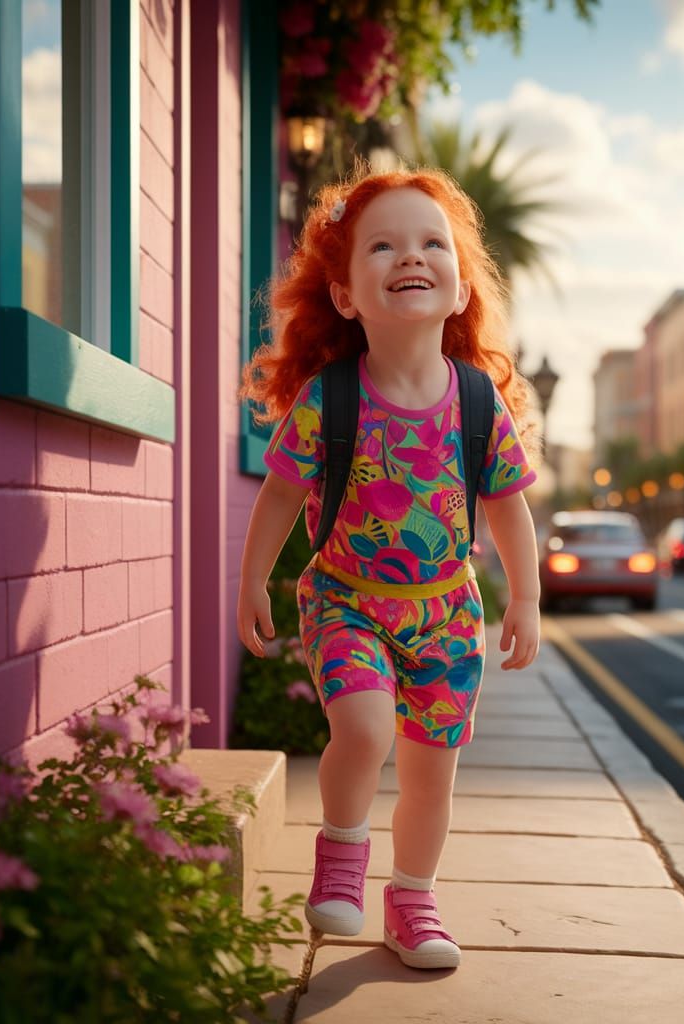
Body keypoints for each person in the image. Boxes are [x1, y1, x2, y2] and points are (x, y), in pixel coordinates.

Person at [236, 166, 541, 971]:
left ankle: (412, 903)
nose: (411, 255)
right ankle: (341, 856)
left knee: (432, 774)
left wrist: (527, 601)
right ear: (345, 296)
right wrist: (254, 583)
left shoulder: (478, 403)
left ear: (461, 285)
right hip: (348, 602)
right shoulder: (333, 399)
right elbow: (277, 498)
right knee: (366, 728)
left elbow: (509, 508)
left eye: (431, 242)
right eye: (383, 245)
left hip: (446, 612)